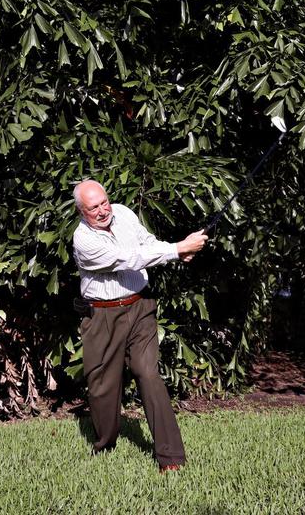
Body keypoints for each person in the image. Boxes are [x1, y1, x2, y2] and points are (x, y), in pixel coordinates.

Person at [71, 179, 208, 472]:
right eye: (94, 207)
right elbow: (127, 259)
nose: (103, 210)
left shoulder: (123, 213)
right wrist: (177, 248)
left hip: (140, 307)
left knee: (148, 373)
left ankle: (170, 458)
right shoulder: (84, 240)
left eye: (104, 202)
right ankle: (105, 443)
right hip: (103, 316)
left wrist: (178, 251)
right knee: (102, 387)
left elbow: (145, 244)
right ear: (82, 211)